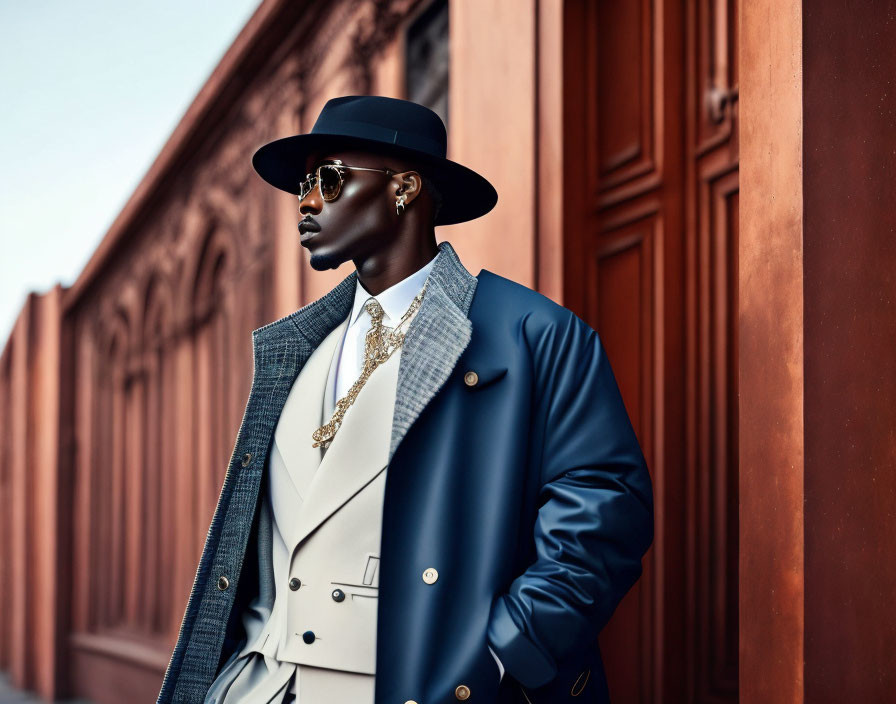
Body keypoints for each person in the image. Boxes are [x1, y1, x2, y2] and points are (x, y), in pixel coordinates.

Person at [157, 95, 654, 704]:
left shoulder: (530, 334)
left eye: (330, 178)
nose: (307, 201)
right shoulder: (294, 349)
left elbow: (604, 513)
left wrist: (498, 653)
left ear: (405, 188)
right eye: (303, 185)